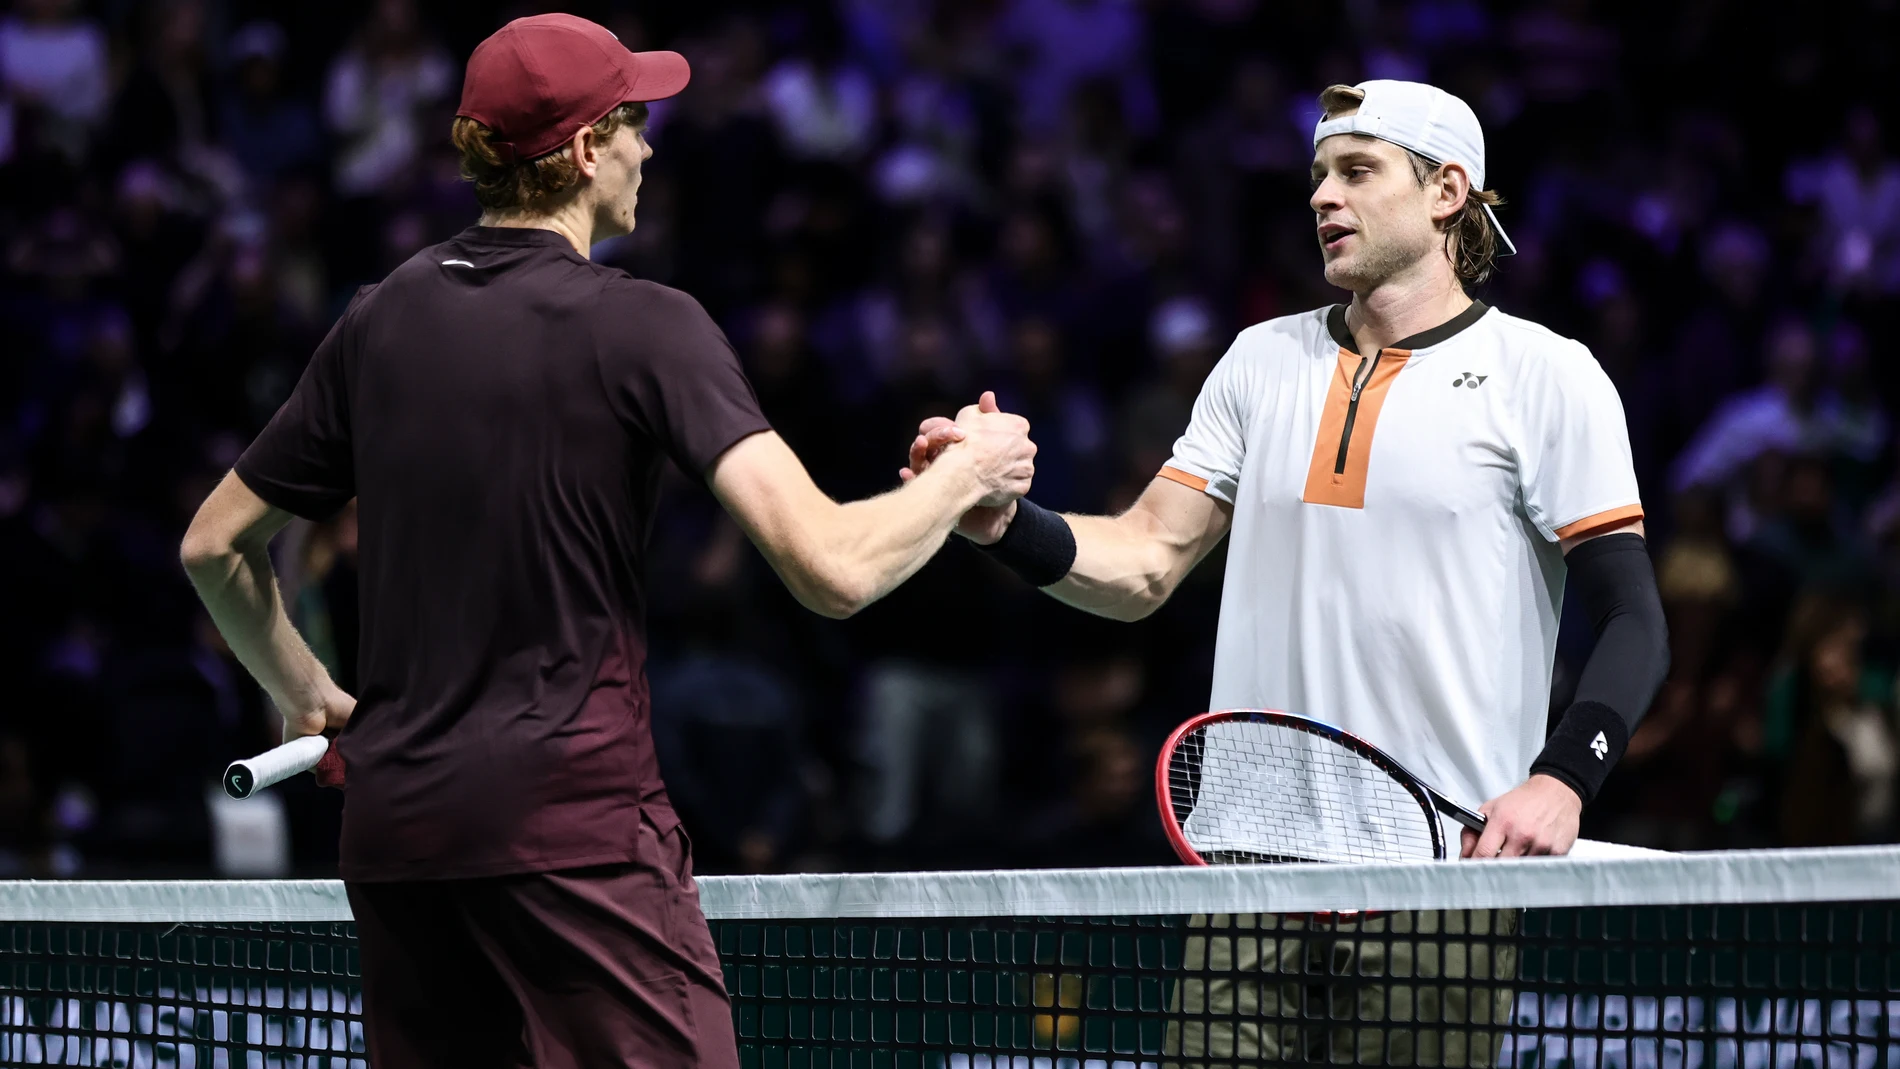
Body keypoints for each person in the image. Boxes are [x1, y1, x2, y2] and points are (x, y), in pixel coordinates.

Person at [179, 14, 1034, 1069]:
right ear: (585, 151)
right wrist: (966, 475)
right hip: (569, 832)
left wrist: (305, 690)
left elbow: (214, 545)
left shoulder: (382, 316)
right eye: (633, 123)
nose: (650, 147)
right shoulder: (646, 325)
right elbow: (833, 567)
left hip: (401, 834)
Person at [907, 80, 1669, 1065]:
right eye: (1316, 175)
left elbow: (1632, 616)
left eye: (1356, 171)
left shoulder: (1545, 376)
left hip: (1434, 879)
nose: (1322, 196)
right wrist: (1002, 522)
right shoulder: (1257, 363)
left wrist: (1563, 777)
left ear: (1446, 191)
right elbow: (1143, 561)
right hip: (1244, 872)